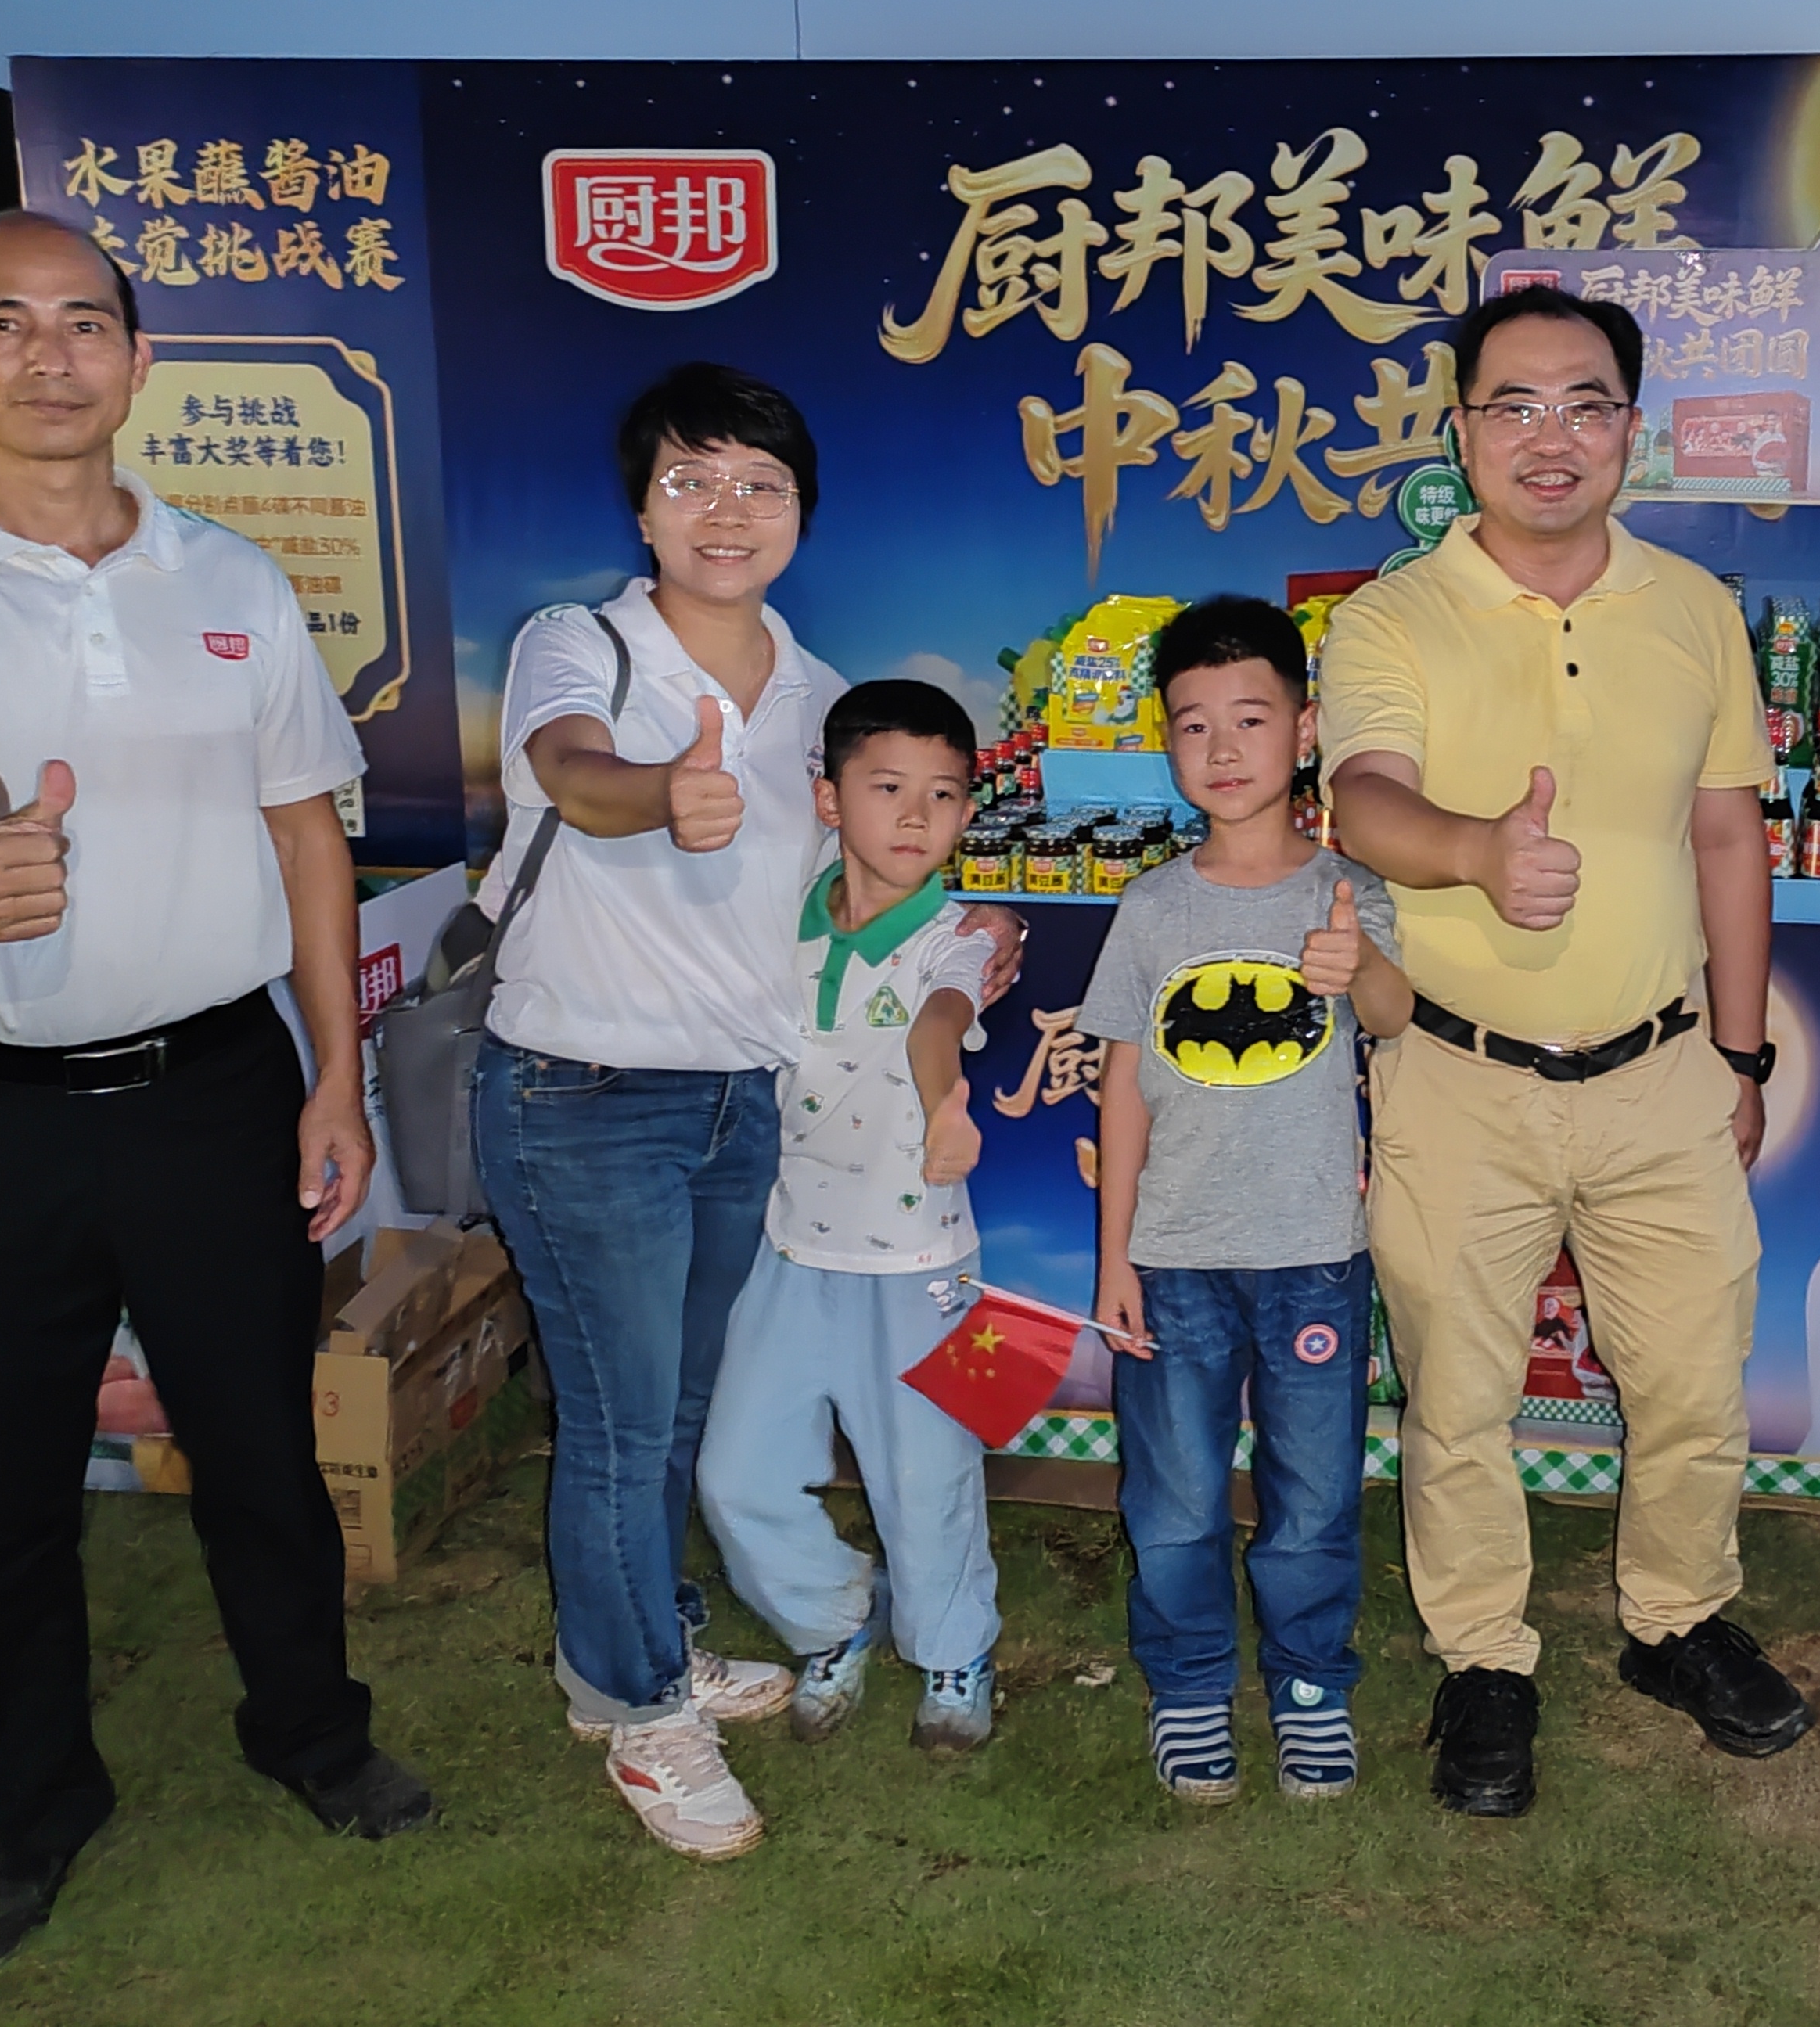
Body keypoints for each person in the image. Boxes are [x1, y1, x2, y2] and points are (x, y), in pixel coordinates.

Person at [0, 211, 429, 1977]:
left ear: (140, 362)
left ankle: (313, 1734)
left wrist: (335, 1076)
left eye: (85, 323)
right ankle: (32, 1811)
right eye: (3, 323)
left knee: (262, 1451)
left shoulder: (233, 579)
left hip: (213, 1093)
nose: (48, 357)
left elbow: (307, 831)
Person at [473, 365, 1020, 1860]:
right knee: (622, 1420)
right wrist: (660, 790)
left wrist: (973, 937)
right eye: (692, 479)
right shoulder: (578, 644)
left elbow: (886, 879)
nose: (727, 510)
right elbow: (570, 771)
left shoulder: (823, 698)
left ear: (801, 512)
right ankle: (636, 1700)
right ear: (643, 504)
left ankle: (652, 1631)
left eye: (761, 484)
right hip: (583, 1090)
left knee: (684, 1415)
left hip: (744, 1114)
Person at [1321, 282, 1810, 1820]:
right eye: (1514, 405)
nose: (1552, 436)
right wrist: (1478, 849)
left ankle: (1675, 1619)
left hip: (1662, 1072)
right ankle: (1482, 1657)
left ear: (1630, 431)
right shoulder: (1390, 616)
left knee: (1692, 1378)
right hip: (1456, 1073)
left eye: (1585, 404)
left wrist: (1739, 1059)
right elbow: (1362, 800)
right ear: (1460, 431)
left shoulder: (1694, 608)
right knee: (1457, 1395)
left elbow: (1727, 837)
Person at [1080, 595, 1412, 1804]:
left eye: (1252, 718)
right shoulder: (1154, 908)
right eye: (1193, 724)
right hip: (1174, 1256)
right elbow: (1124, 1086)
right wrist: (1115, 1257)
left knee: (1313, 1498)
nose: (1222, 749)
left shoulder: (1348, 892)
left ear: (1306, 731)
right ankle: (1189, 1685)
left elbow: (1395, 1017)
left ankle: (1311, 1687)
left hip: (1313, 1251)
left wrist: (1358, 967)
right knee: (1173, 1498)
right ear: (1167, 742)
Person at [695, 679, 1009, 1810]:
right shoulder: (777, 905)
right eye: (887, 789)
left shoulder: (957, 937)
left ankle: (956, 1653)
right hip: (788, 1252)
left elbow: (939, 1021)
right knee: (735, 1474)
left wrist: (946, 1102)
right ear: (829, 800)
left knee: (931, 1476)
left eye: (945, 795)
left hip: (925, 1266)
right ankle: (832, 1617)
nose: (917, 817)